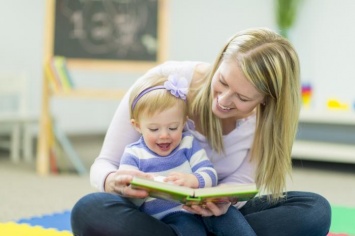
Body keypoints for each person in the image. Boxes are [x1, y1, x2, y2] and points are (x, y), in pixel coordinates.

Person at [71, 28, 331, 236]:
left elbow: (241, 186)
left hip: (223, 216)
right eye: (223, 82)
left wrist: (220, 201)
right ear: (219, 62)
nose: (224, 100)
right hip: (157, 214)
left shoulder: (266, 120)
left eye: (242, 97)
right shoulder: (163, 83)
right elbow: (105, 163)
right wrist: (111, 180)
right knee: (89, 210)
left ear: (265, 99)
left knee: (315, 210)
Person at [118, 74, 252, 235]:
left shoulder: (187, 143)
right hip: (170, 217)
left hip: (202, 208)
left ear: (183, 123)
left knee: (232, 218)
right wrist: (141, 187)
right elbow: (125, 194)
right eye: (154, 129)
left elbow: (210, 173)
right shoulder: (133, 154)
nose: (164, 135)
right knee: (189, 228)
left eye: (173, 128)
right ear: (137, 126)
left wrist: (193, 179)